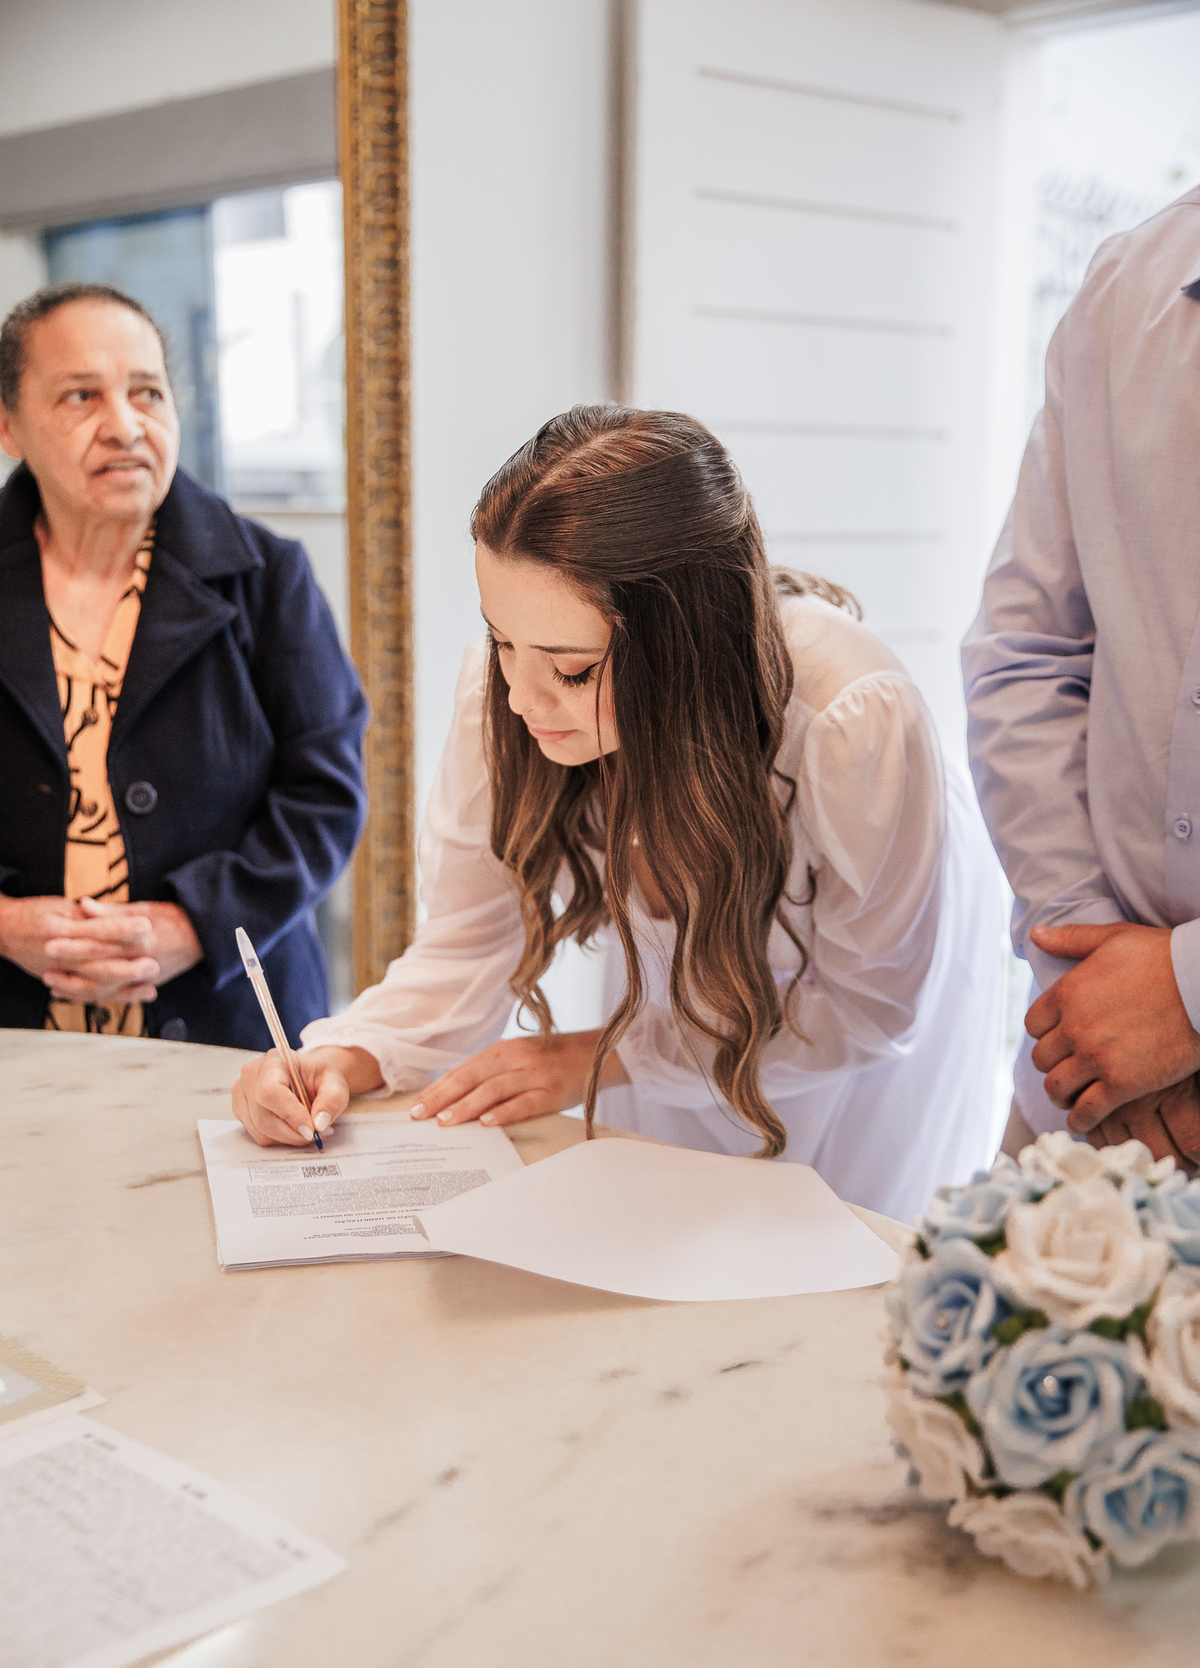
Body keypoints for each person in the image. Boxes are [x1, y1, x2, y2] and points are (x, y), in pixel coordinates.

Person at [234, 405, 1003, 1220]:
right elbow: (468, 937)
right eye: (500, 641)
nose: (521, 700)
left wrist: (603, 1055)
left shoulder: (852, 725)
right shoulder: (514, 693)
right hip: (681, 1017)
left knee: (834, 1240)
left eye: (571, 670)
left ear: (685, 646)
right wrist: (345, 1056)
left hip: (854, 1040)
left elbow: (867, 1007)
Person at [0, 282, 367, 1048]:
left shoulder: (268, 576)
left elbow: (325, 795)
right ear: (10, 426)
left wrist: (199, 923)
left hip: (230, 1027)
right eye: (80, 396)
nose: (125, 426)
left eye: (148, 392)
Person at [964, 186, 1200, 1166]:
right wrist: (1089, 963)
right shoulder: (1124, 282)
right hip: (1084, 1084)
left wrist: (1188, 993)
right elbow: (1024, 651)